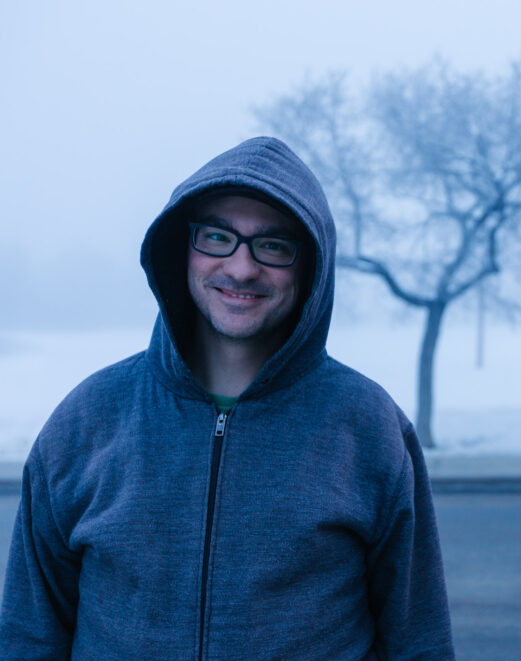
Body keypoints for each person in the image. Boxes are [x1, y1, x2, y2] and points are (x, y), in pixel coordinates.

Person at [0, 137, 455, 660]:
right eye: (218, 237)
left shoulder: (369, 428)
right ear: (183, 248)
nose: (241, 269)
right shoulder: (86, 421)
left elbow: (419, 642)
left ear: (311, 267)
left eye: (273, 245)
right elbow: (29, 637)